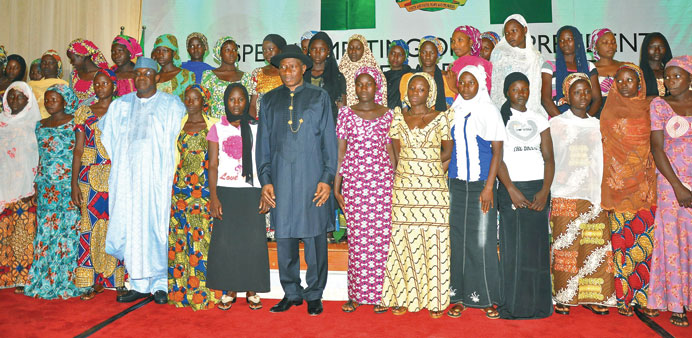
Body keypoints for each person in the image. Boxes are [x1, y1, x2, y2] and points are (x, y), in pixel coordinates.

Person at [256, 44, 337, 316]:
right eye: (283, 67)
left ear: (304, 68)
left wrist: (327, 178)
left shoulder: (319, 97)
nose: (287, 71)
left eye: (293, 66)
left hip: (313, 178)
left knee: (315, 238)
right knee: (285, 238)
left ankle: (315, 294)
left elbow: (329, 141)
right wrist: (265, 180)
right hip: (280, 179)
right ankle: (291, 293)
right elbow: (263, 145)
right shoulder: (268, 101)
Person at [98, 57, 186, 304]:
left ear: (157, 77)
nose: (142, 77)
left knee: (156, 227)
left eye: (148, 73)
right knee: (132, 226)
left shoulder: (171, 105)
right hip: (127, 180)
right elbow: (108, 139)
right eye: (138, 74)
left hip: (157, 179)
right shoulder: (120, 106)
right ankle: (137, 283)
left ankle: (160, 285)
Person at [380, 72, 453, 318]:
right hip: (404, 190)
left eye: (421, 89)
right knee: (402, 242)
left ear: (429, 93)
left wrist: (427, 167)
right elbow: (396, 153)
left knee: (434, 243)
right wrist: (407, 172)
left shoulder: (442, 117)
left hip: (433, 191)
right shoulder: (397, 118)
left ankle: (435, 301)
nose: (415, 93)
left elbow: (447, 152)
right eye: (412, 89)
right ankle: (403, 297)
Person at [549, 73, 615, 315]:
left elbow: (602, 160)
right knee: (566, 248)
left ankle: (593, 297)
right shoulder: (556, 124)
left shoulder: (598, 124)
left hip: (593, 193)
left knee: (594, 249)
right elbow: (549, 159)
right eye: (577, 92)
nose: (583, 96)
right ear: (567, 96)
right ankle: (564, 296)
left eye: (586, 91)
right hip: (565, 193)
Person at [446, 62, 505, 319]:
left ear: (480, 84)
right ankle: (459, 296)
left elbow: (497, 152)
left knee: (482, 241)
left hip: (482, 185)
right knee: (458, 240)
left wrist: (490, 186)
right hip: (456, 185)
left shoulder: (489, 111)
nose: (466, 87)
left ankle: (487, 296)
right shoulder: (454, 110)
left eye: (471, 82)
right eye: (462, 82)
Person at [334, 66, 394, 314]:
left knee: (382, 241)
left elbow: (392, 153)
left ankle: (382, 295)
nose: (363, 89)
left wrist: (397, 183)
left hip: (382, 185)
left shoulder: (390, 115)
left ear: (377, 86)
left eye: (368, 84)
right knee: (358, 241)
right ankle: (356, 295)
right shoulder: (346, 114)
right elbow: (340, 153)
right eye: (359, 84)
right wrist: (337, 187)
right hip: (355, 185)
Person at [600, 63, 658, 317]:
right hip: (617, 186)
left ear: (639, 83)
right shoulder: (608, 110)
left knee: (644, 244)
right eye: (620, 80)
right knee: (621, 244)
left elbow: (656, 145)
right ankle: (623, 298)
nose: (624, 84)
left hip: (643, 186)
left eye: (630, 80)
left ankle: (644, 297)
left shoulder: (651, 107)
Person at [206, 83, 270, 311]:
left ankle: (252, 290)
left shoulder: (257, 127)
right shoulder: (217, 128)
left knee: (252, 242)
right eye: (232, 99)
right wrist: (213, 197)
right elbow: (212, 165)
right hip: (225, 191)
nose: (236, 104)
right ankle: (230, 289)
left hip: (252, 191)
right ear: (225, 101)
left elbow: (264, 161)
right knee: (228, 243)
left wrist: (265, 189)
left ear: (247, 102)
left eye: (241, 99)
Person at [496, 72, 554, 319]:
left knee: (537, 250)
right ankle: (514, 306)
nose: (520, 93)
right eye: (515, 89)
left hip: (538, 189)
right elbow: (497, 159)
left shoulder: (539, 118)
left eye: (524, 89)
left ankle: (539, 306)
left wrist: (544, 191)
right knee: (514, 250)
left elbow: (549, 158)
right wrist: (510, 190)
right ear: (507, 92)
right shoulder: (500, 119)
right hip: (512, 189)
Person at [23, 84, 88, 299]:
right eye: (47, 100)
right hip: (45, 187)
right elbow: (40, 156)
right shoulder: (39, 125)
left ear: (65, 100)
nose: (49, 103)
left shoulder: (75, 123)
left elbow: (79, 153)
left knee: (68, 231)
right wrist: (35, 183)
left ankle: (67, 279)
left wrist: (75, 185)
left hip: (67, 186)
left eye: (54, 99)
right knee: (45, 232)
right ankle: (44, 278)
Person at [70, 69, 126, 300]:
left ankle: (118, 278)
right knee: (89, 226)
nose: (101, 87)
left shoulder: (123, 110)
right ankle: (91, 280)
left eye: (105, 83)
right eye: (97, 83)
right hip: (88, 179)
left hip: (116, 176)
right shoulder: (84, 111)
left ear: (114, 85)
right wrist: (74, 184)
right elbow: (79, 149)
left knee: (116, 226)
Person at [167, 84, 219, 310]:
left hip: (203, 192)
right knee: (180, 240)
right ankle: (181, 293)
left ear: (203, 101)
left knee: (201, 241)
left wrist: (215, 194)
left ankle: (204, 294)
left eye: (195, 98)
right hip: (179, 192)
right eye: (187, 98)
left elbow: (216, 163)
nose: (190, 102)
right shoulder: (177, 125)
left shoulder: (213, 125)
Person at [649, 55, 692, 327]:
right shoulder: (659, 105)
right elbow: (657, 147)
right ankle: (676, 304)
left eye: (677, 76)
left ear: (690, 78)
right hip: (670, 182)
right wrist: (678, 186)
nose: (671, 81)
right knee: (673, 241)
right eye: (668, 76)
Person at [0, 81, 40, 293]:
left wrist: (35, 183)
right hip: (2, 185)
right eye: (11, 96)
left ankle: (22, 277)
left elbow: (39, 156)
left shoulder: (35, 124)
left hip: (25, 187)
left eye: (19, 97)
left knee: (22, 233)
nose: (14, 100)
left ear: (28, 100)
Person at [490, 14, 547, 117]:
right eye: (506, 33)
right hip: (506, 112)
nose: (510, 36)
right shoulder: (500, 54)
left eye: (514, 31)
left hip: (531, 112)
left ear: (525, 29)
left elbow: (538, 90)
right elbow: (496, 88)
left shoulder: (536, 57)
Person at [541, 26, 601, 117]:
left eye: (569, 39)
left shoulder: (589, 67)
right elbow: (545, 99)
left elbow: (597, 99)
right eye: (561, 41)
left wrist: (584, 120)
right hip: (557, 120)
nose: (565, 43)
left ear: (577, 41)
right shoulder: (549, 66)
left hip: (585, 123)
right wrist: (564, 122)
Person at [202, 37, 252, 119]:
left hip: (240, 126)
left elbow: (250, 105)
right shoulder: (208, 76)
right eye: (227, 50)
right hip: (216, 126)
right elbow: (204, 104)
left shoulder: (246, 77)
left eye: (234, 50)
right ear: (219, 53)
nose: (232, 53)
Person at [400, 37, 454, 111]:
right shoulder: (408, 78)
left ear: (437, 54)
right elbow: (405, 110)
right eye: (424, 52)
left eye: (431, 53)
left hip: (440, 121)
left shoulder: (446, 78)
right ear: (419, 54)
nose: (428, 56)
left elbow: (449, 109)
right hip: (413, 121)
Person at [304, 31, 346, 120]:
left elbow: (342, 108)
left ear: (328, 52)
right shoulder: (301, 75)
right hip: (304, 126)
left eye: (322, 49)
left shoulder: (337, 77)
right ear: (309, 51)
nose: (317, 53)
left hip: (329, 125)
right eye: (314, 49)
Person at [339, 34, 386, 106]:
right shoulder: (340, 71)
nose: (353, 51)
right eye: (351, 48)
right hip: (345, 115)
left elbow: (381, 100)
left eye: (358, 48)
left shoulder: (374, 72)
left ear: (365, 50)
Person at [247, 34, 287, 118]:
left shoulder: (287, 72)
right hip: (260, 123)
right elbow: (253, 104)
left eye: (270, 49)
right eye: (264, 50)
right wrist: (253, 123)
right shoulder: (257, 72)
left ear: (281, 50)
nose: (267, 53)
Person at [152, 34, 196, 101]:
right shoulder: (153, 77)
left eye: (165, 50)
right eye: (158, 51)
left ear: (174, 53)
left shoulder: (186, 75)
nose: (160, 55)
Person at [67, 39, 109, 105]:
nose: (71, 62)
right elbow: (69, 100)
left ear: (81, 56)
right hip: (74, 114)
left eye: (72, 59)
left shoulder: (104, 75)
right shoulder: (73, 75)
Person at [589, 28, 624, 107]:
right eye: (605, 42)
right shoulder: (590, 69)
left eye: (613, 42)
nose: (610, 45)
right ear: (595, 46)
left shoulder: (624, 67)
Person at [29, 50, 68, 118]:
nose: (46, 65)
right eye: (44, 62)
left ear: (58, 66)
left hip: (57, 125)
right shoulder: (31, 85)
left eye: (51, 63)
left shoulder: (64, 85)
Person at [444, 25, 482, 95]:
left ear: (471, 42)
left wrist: (454, 88)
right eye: (453, 41)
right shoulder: (451, 66)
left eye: (460, 40)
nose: (455, 45)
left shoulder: (480, 65)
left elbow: (478, 96)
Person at [640, 33, 673, 97]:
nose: (657, 50)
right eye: (652, 47)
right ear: (645, 49)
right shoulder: (639, 74)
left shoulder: (672, 73)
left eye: (661, 46)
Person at [383, 40, 412, 109]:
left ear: (405, 57)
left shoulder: (410, 76)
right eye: (393, 53)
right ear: (388, 55)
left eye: (400, 54)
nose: (395, 57)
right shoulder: (382, 76)